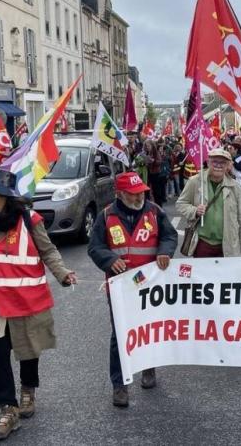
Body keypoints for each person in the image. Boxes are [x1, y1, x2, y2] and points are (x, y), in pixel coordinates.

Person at [0, 168, 77, 441]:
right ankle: (8, 409)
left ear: (3, 197)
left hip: (25, 301)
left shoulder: (30, 221)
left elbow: (48, 251)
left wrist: (63, 274)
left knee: (28, 350)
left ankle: (28, 390)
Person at [87, 172, 178, 408]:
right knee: (120, 335)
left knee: (148, 329)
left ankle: (148, 369)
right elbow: (95, 247)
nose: (139, 197)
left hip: (150, 285)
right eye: (134, 194)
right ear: (120, 194)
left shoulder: (155, 212)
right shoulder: (106, 216)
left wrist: (165, 251)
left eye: (141, 193)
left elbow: (169, 236)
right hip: (120, 287)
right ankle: (120, 385)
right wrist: (108, 260)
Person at [176, 148, 241, 258]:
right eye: (215, 161)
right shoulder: (195, 181)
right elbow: (181, 204)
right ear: (208, 162)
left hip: (228, 245)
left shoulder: (235, 187)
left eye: (223, 162)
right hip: (202, 243)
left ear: (228, 166)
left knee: (226, 275)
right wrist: (194, 211)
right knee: (203, 275)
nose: (218, 165)